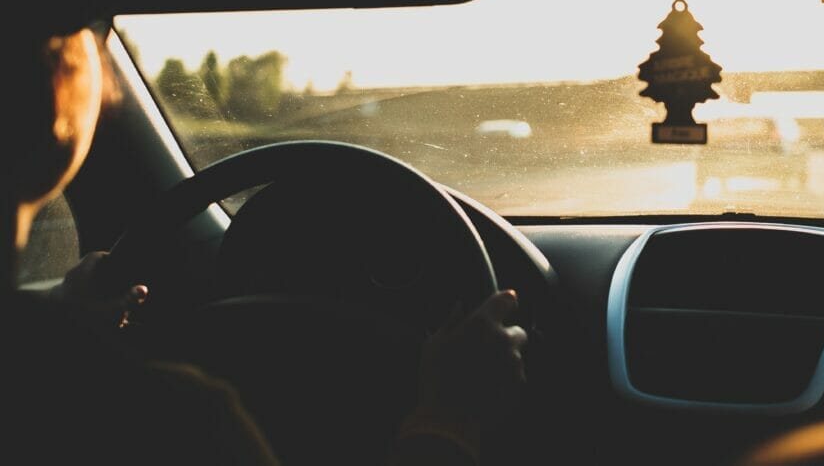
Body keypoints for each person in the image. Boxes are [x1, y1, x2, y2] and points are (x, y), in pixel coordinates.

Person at [1, 24, 527, 465]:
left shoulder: (38, 380)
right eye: (87, 31)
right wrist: (449, 417)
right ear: (54, 88)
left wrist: (67, 319)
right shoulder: (176, 416)